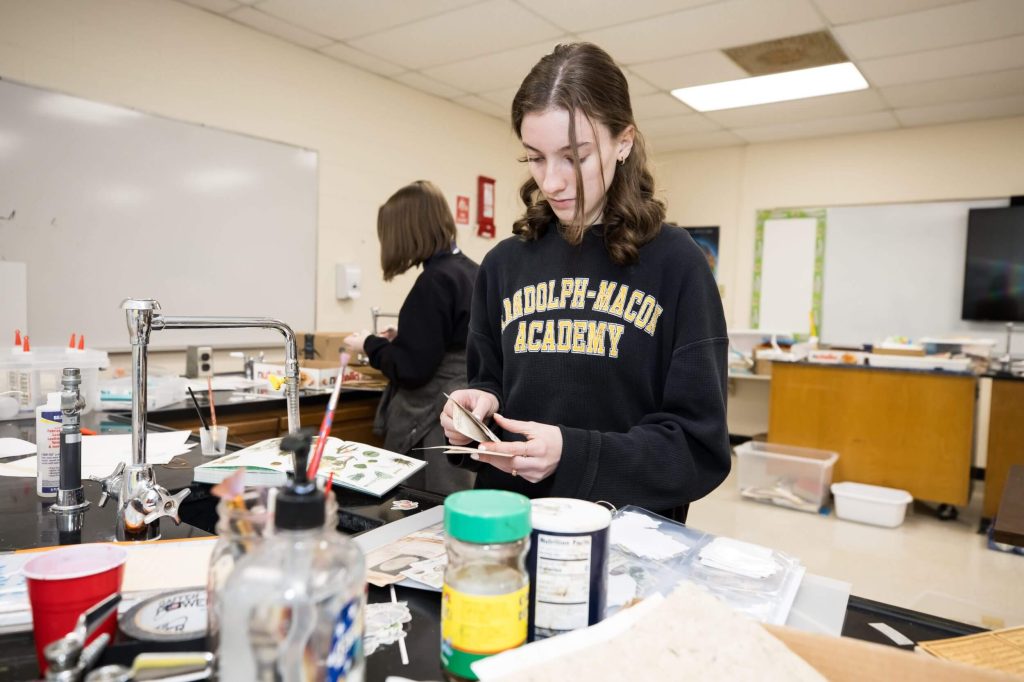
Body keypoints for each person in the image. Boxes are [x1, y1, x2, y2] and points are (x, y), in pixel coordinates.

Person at [440, 43, 730, 520]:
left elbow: (698, 448)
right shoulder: (502, 265)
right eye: (535, 158)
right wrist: (478, 409)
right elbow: (491, 379)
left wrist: (573, 453)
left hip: (627, 539)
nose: (551, 181)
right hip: (511, 525)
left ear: (623, 142)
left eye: (574, 157)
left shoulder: (678, 265)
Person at [344, 180, 478, 456]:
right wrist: (405, 336)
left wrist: (369, 344)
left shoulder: (435, 281)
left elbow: (411, 369)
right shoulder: (470, 271)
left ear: (406, 232)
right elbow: (448, 338)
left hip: (431, 419)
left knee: (423, 498)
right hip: (464, 412)